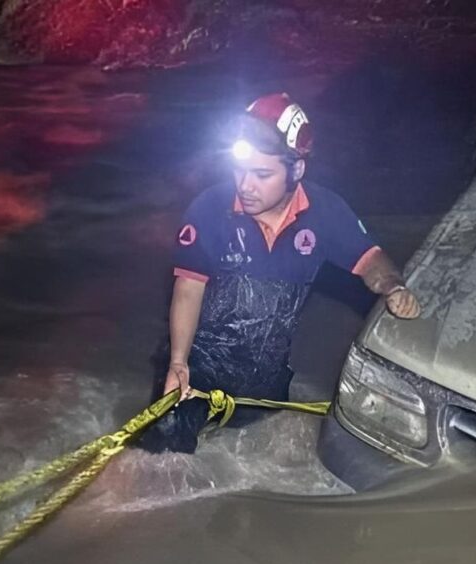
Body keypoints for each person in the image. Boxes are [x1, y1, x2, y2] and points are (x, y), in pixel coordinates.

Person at [140, 93, 421, 454]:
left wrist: (394, 287)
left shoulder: (326, 213)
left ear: (297, 169)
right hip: (196, 368)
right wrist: (178, 363)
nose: (245, 185)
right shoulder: (210, 209)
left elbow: (371, 260)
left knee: (261, 466)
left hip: (264, 379)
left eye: (262, 174)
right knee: (160, 461)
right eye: (239, 170)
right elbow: (188, 289)